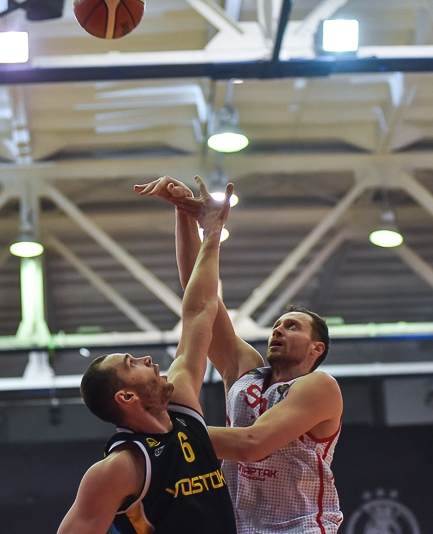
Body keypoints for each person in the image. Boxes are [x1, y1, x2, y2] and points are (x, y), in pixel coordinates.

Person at [135, 177, 344, 534]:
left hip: (300, 527)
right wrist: (188, 217)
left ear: (316, 348)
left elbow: (252, 445)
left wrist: (167, 432)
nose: (278, 330)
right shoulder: (245, 369)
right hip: (239, 526)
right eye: (276, 325)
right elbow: (199, 296)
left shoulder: (319, 386)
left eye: (292, 327)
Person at [59, 177, 237, 534]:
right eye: (132, 364)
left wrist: (211, 231)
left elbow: (199, 309)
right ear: (126, 397)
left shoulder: (182, 403)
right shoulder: (120, 468)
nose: (147, 360)